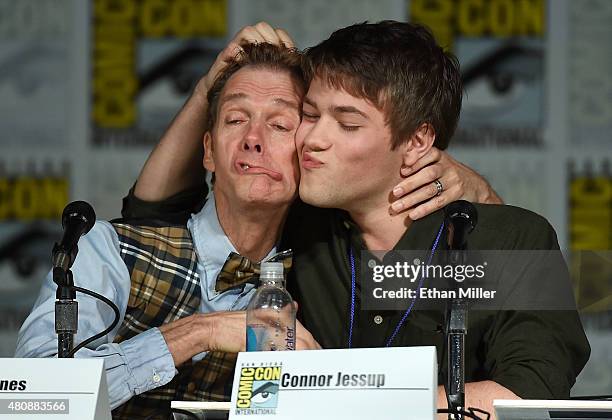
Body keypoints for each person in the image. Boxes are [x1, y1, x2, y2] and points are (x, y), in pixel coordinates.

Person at [127, 21, 590, 417]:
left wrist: (340, 408)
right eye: (309, 114)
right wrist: (209, 87)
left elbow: (526, 397)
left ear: (418, 140)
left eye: (347, 124)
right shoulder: (300, 224)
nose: (312, 139)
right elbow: (153, 217)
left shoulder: (519, 239)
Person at [15, 42, 320, 420]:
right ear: (208, 151)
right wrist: (197, 333)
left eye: (279, 125)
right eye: (236, 119)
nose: (253, 138)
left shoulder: (318, 282)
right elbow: (31, 401)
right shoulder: (110, 250)